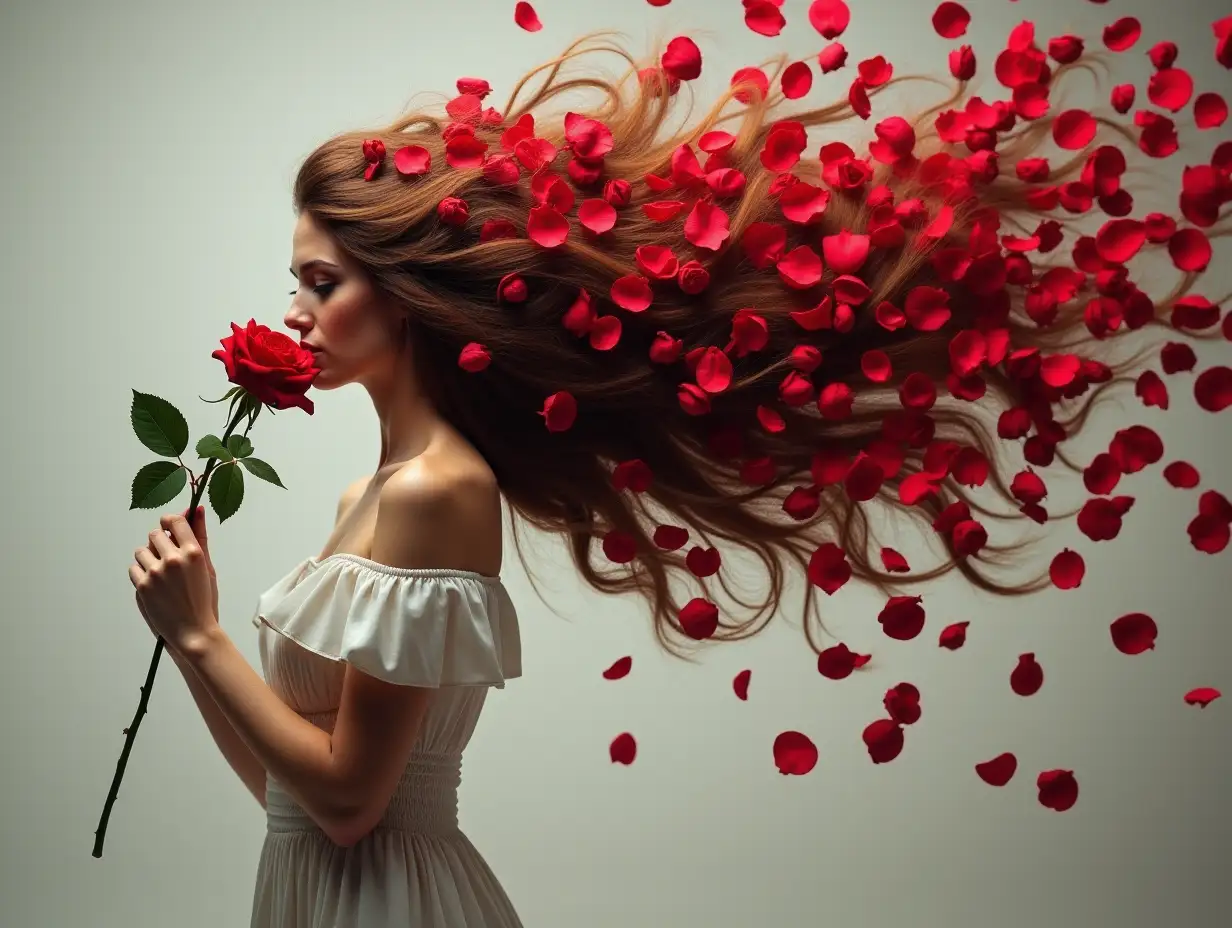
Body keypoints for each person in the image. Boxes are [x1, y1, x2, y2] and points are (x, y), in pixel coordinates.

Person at [134, 8, 1229, 927]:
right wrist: (192, 646)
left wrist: (202, 633)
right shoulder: (364, 495)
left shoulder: (435, 491)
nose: (294, 313)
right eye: (294, 284)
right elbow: (292, 798)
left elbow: (348, 801)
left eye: (321, 282)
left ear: (407, 292)